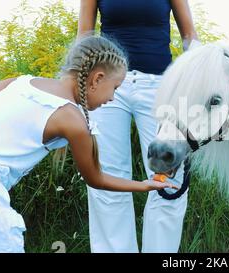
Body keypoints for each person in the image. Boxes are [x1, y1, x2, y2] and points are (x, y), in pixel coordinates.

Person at [0, 36, 176, 253]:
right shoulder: (72, 119)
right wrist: (144, 185)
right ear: (97, 79)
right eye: (115, 87)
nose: (113, 98)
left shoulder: (20, 81)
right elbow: (96, 179)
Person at [78, 0, 199, 253]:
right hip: (106, 85)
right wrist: (78, 88)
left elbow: (189, 36)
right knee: (107, 177)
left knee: (169, 179)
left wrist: (196, 73)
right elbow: (85, 36)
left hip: (159, 87)